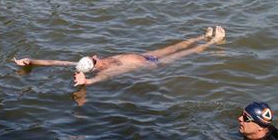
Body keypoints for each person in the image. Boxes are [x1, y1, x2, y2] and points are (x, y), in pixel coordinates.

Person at [13, 26, 226, 87]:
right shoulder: (105, 70)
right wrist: (87, 82)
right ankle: (210, 44)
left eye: (92, 55)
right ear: (93, 65)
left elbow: (54, 62)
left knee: (175, 46)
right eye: (94, 59)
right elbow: (100, 79)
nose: (95, 55)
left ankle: (201, 36)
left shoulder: (89, 62)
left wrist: (32, 61)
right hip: (153, 65)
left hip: (145, 55)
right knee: (185, 53)